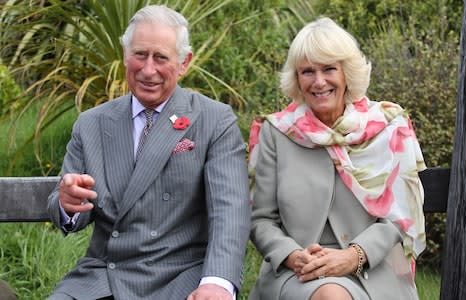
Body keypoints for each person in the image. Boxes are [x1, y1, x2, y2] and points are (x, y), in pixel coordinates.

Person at [47, 5, 250, 300]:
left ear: (184, 63)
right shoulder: (91, 124)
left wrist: (217, 282)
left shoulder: (214, 120)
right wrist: (66, 203)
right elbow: (70, 212)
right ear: (125, 55)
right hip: (106, 274)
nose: (148, 70)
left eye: (161, 58)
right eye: (140, 55)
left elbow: (229, 210)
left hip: (182, 275)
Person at [247, 17, 426, 300]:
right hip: (299, 273)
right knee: (331, 296)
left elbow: (400, 215)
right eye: (307, 71)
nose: (319, 82)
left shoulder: (389, 125)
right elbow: (261, 220)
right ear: (296, 78)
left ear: (346, 74)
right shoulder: (276, 132)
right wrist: (293, 256)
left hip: (374, 269)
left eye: (329, 69)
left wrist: (353, 256)